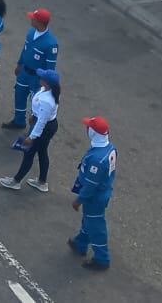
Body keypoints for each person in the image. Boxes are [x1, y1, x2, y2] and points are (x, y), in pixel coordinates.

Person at [0, 69, 61, 192]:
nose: (40, 78)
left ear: (46, 83)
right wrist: (34, 114)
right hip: (46, 124)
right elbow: (41, 113)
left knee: (29, 153)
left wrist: (32, 137)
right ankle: (42, 182)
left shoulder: (47, 100)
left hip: (43, 128)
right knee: (42, 152)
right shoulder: (47, 91)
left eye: (42, 77)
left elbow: (42, 122)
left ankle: (16, 181)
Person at [69, 116, 116, 271]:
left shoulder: (96, 159)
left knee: (96, 225)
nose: (86, 129)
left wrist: (79, 200)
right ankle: (80, 242)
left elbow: (90, 185)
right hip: (102, 192)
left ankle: (102, 258)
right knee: (88, 220)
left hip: (94, 197)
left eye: (89, 127)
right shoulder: (109, 148)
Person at [2, 8, 60, 131]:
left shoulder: (51, 44)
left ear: (39, 22)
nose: (31, 20)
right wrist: (19, 64)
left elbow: (50, 67)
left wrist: (46, 86)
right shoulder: (30, 33)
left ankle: (33, 131)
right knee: (19, 95)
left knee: (37, 106)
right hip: (24, 73)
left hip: (37, 79)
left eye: (33, 18)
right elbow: (25, 50)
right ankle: (18, 121)